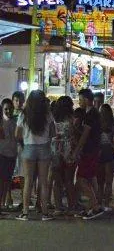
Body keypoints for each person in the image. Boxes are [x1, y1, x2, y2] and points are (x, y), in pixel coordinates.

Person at [14, 90, 55, 221]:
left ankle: (25, 212)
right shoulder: (47, 114)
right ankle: (45, 213)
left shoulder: (24, 114)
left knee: (28, 181)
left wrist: (25, 141)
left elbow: (17, 134)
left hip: (29, 148)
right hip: (44, 148)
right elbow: (53, 133)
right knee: (43, 182)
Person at [74, 88, 105, 220]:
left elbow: (86, 134)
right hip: (93, 149)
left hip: (89, 150)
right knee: (90, 179)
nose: (79, 102)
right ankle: (92, 207)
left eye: (80, 100)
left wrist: (77, 150)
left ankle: (95, 206)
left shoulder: (90, 115)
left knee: (81, 179)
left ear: (87, 100)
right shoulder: (93, 113)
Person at [51, 96, 76, 215]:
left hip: (55, 150)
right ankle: (71, 206)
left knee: (57, 181)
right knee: (68, 180)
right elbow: (72, 134)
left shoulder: (53, 119)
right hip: (68, 150)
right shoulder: (71, 119)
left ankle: (58, 207)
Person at [98, 104, 114, 211]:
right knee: (108, 180)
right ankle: (106, 203)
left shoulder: (98, 123)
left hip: (100, 151)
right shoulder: (113, 124)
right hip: (109, 150)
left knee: (100, 180)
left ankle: (100, 202)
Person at [0, 99, 17, 216]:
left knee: (7, 181)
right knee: (2, 181)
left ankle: (2, 205)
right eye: (6, 108)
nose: (8, 111)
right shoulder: (1, 123)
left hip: (12, 155)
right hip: (2, 154)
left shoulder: (16, 122)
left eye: (10, 108)